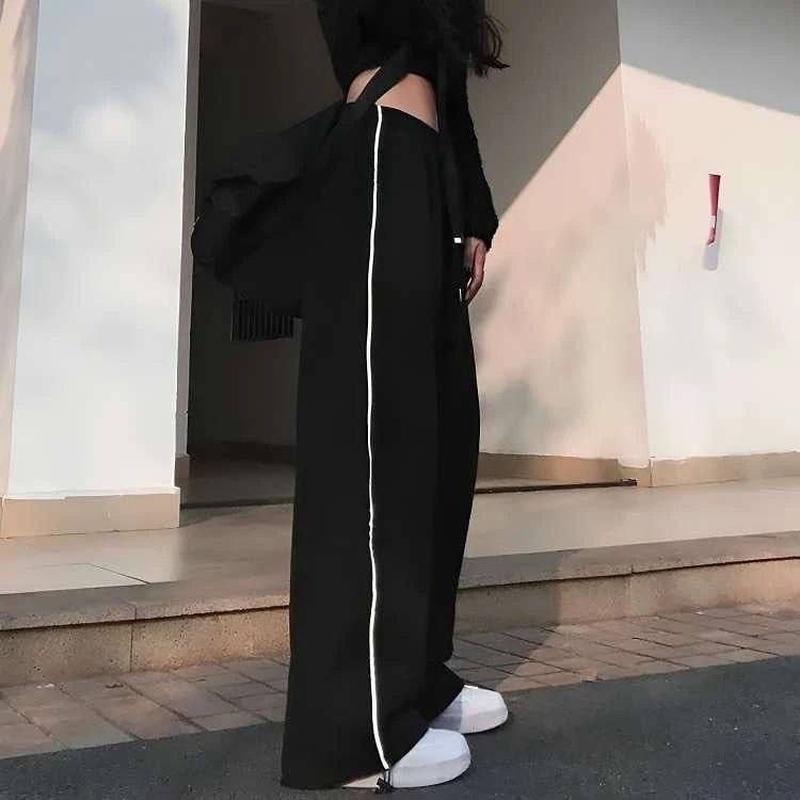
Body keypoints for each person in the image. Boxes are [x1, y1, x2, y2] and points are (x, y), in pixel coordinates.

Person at [280, 0, 508, 790]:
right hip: (380, 147)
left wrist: (472, 209)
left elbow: (451, 78)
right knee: (376, 439)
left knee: (443, 437)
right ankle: (353, 731)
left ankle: (413, 678)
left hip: (427, 169)